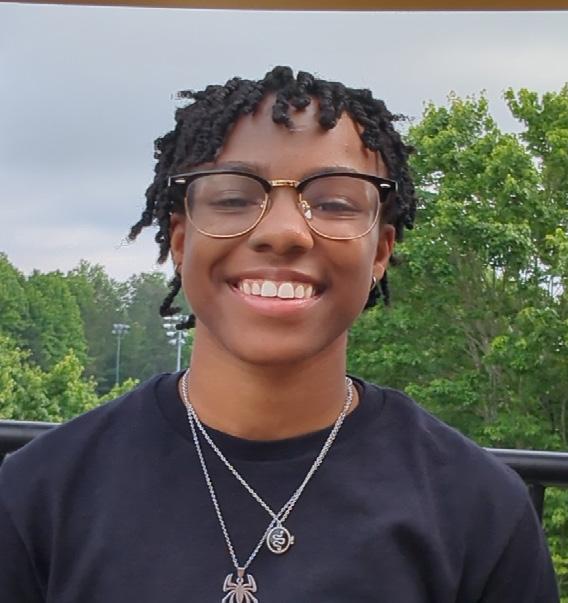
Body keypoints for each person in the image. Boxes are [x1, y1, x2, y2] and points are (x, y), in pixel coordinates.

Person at [0, 66, 559, 602]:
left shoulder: (480, 511)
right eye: (234, 198)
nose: (285, 231)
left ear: (381, 251)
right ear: (180, 241)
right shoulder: (37, 495)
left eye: (334, 202)